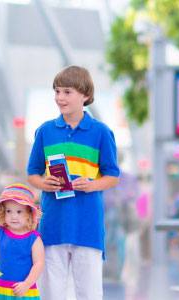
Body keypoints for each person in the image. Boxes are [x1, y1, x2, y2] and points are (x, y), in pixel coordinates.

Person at [26, 65, 120, 299]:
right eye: (57, 92)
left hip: (87, 227)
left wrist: (92, 184)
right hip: (52, 226)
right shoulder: (45, 131)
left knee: (89, 293)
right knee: (51, 293)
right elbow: (32, 173)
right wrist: (43, 183)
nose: (60, 98)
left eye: (67, 92)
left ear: (85, 95)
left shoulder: (101, 132)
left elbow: (112, 176)